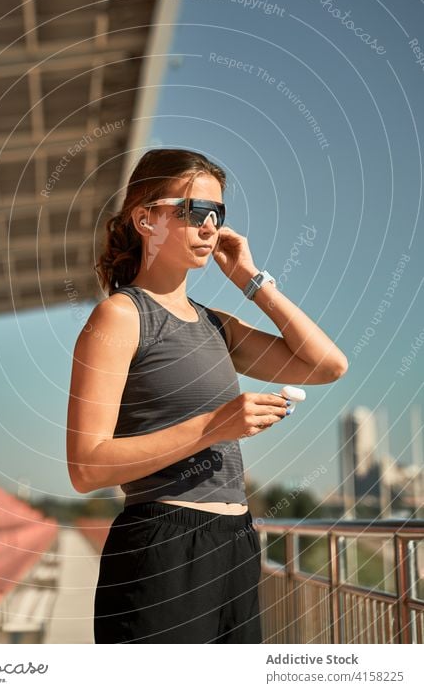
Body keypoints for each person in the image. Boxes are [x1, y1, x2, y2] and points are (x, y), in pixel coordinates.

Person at [66, 148, 348, 643]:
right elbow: (87, 467)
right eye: (195, 210)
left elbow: (327, 365)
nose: (209, 225)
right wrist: (215, 427)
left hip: (235, 542)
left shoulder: (217, 324)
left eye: (218, 215)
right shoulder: (122, 317)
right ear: (145, 218)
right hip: (162, 547)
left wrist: (250, 280)